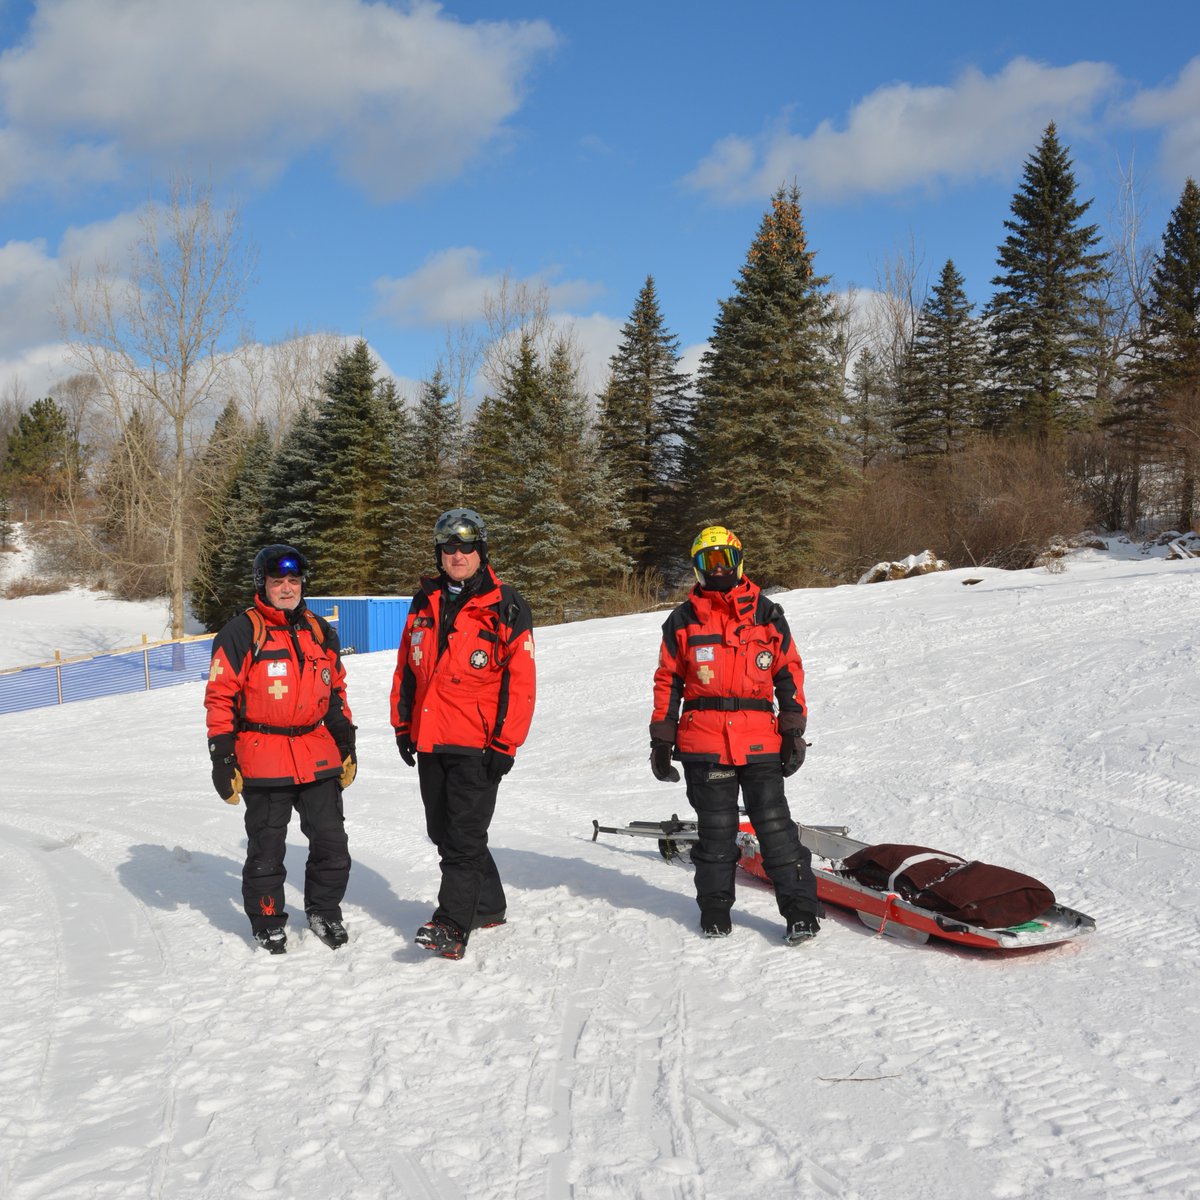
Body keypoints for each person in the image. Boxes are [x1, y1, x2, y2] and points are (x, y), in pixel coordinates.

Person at [649, 525, 822, 943]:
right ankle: (714, 909)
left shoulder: (766, 613)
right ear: (698, 567)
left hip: (760, 738)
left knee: (775, 828)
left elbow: (788, 674)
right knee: (717, 833)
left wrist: (794, 730)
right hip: (704, 742)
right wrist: (661, 736)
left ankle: (800, 911)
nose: (719, 568)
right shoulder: (683, 620)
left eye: (725, 559)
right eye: (710, 562)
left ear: (739, 560)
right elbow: (667, 680)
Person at [390, 508, 536, 960]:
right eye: (449, 548)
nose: (458, 555)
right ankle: (489, 904)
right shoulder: (424, 602)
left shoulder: (507, 605)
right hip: (431, 737)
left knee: (464, 839)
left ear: (481, 551)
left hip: (478, 744)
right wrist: (402, 724)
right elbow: (407, 670)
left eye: (466, 547)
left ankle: (452, 924)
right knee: (443, 832)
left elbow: (522, 681)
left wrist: (505, 742)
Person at [204, 544, 357, 954]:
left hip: (316, 749)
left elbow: (336, 692)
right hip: (263, 753)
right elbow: (220, 697)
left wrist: (347, 745)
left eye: (294, 581)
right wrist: (222, 756)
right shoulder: (241, 632)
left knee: (331, 842)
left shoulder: (319, 630)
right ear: (263, 585)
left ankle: (324, 910)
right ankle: (268, 918)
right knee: (267, 848)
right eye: (278, 581)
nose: (287, 588)